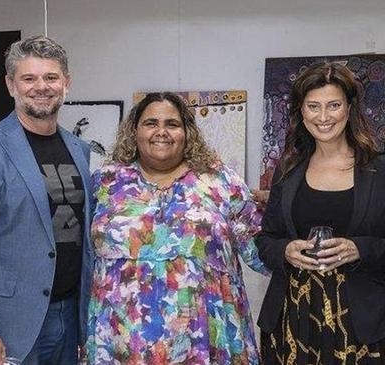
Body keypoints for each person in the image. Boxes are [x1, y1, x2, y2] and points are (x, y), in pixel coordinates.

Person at [84, 92, 268, 364]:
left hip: (206, 341)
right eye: (151, 123)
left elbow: (260, 248)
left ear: (187, 132)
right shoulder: (106, 182)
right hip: (120, 343)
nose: (161, 131)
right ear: (134, 131)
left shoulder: (219, 180)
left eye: (172, 124)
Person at [0, 35, 93, 364]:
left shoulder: (80, 151)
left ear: (66, 83)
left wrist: (85, 323)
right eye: (29, 78)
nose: (41, 86)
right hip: (13, 321)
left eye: (51, 77)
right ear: (11, 85)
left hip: (70, 317)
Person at [255, 61, 385, 365]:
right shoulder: (287, 170)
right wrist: (285, 250)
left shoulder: (384, 169)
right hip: (290, 317)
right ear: (301, 111)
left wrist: (359, 249)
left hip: (358, 321)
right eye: (313, 106)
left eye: (333, 105)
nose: (323, 117)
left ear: (349, 108)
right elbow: (265, 240)